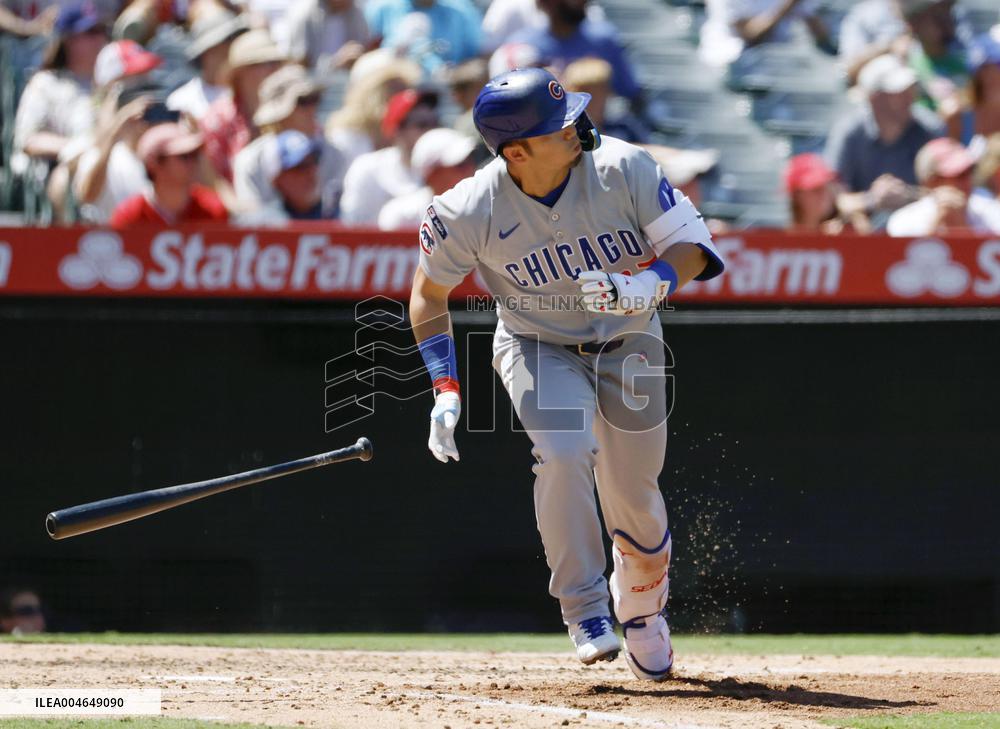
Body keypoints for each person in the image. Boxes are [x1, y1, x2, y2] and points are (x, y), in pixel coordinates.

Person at [408, 68, 724, 680]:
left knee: (634, 494)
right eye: (557, 126)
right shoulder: (467, 207)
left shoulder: (624, 166)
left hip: (630, 342)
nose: (575, 127)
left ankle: (642, 610)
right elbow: (428, 294)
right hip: (536, 344)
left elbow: (695, 246)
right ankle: (585, 610)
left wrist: (649, 283)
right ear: (516, 152)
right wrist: (444, 388)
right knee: (563, 449)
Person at [826, 53, 944, 228]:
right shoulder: (849, 133)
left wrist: (909, 196)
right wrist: (872, 200)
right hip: (864, 234)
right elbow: (834, 199)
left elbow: (947, 193)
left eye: (909, 90)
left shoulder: (931, 129)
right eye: (897, 92)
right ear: (874, 98)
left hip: (921, 231)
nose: (909, 98)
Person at [233, 64, 346, 217]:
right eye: (303, 101)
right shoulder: (250, 161)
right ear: (279, 115)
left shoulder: (334, 154)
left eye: (315, 98)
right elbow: (251, 218)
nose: (312, 108)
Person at [507, 0, 640, 102]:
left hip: (599, 125)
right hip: (547, 125)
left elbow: (630, 92)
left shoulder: (604, 39)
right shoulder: (524, 46)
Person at [339, 87, 438, 224]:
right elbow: (352, 225)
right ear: (397, 129)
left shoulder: (446, 170)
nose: (430, 131)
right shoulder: (367, 168)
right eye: (421, 125)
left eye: (434, 124)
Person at [200, 28, 286, 183]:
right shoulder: (218, 118)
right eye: (264, 63)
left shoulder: (293, 109)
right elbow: (214, 179)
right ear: (240, 73)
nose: (274, 70)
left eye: (276, 62)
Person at [110, 123, 228, 225]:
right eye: (184, 156)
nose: (193, 162)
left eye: (195, 155)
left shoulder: (213, 208)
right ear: (153, 164)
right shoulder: (129, 217)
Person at [74, 85, 160, 223]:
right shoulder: (100, 156)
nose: (148, 122)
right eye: (144, 114)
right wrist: (118, 127)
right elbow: (87, 196)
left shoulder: (167, 158)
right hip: (111, 233)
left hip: (154, 233)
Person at [324, 50, 422, 166]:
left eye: (404, 87)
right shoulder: (345, 139)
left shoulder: (409, 136)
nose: (404, 95)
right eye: (392, 88)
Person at [887, 136, 1000, 234]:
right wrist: (937, 222)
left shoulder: (992, 213)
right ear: (931, 182)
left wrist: (961, 225)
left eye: (968, 172)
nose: (966, 181)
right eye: (956, 175)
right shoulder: (903, 221)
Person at [377, 126, 476, 229]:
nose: (470, 170)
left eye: (470, 161)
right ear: (433, 174)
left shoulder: (481, 210)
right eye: (460, 165)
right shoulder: (399, 216)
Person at [167, 9, 250, 121]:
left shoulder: (247, 92)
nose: (231, 47)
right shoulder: (181, 101)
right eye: (226, 41)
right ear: (207, 53)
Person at [699, 0, 831, 69]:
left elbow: (819, 34)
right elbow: (750, 34)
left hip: (777, 60)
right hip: (731, 59)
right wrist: (788, 5)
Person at [364, 0, 481, 73]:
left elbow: (477, 57)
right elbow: (368, 54)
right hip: (393, 91)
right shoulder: (380, 7)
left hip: (449, 93)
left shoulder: (462, 10)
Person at [561, 57, 649, 143]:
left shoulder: (623, 125)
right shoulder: (565, 129)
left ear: (608, 92)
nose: (592, 99)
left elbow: (647, 148)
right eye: (585, 91)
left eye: (598, 91)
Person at [280, 0, 370, 71]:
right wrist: (334, 63)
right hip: (312, 85)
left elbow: (365, 47)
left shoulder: (355, 12)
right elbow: (298, 63)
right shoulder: (304, 14)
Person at [784, 153, 852, 233]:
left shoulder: (840, 230)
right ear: (797, 195)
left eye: (825, 185)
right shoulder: (786, 237)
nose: (823, 193)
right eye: (815, 188)